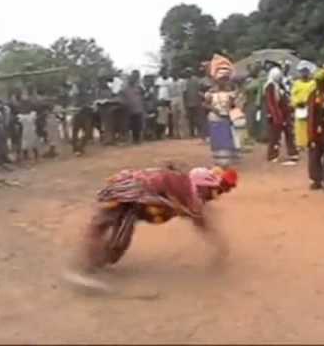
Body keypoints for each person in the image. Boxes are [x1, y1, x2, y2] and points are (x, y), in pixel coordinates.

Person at [66, 165, 238, 288]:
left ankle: (90, 264)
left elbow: (200, 216)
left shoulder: (187, 191)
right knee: (107, 228)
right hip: (130, 192)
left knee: (117, 242)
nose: (214, 197)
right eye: (214, 191)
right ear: (203, 185)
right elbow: (200, 219)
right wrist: (219, 244)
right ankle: (83, 267)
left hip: (133, 200)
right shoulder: (185, 191)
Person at [204, 54, 240, 167]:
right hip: (215, 119)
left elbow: (234, 106)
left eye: (225, 79)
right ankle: (219, 163)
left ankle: (226, 162)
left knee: (226, 140)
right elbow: (205, 105)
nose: (223, 82)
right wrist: (215, 110)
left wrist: (231, 110)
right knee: (218, 141)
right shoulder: (210, 93)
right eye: (221, 79)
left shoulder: (231, 93)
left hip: (226, 120)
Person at [264, 67, 299, 165]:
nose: (278, 77)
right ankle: (272, 154)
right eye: (277, 76)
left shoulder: (281, 85)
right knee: (275, 136)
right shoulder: (270, 86)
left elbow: (286, 97)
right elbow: (272, 103)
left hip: (285, 113)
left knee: (289, 133)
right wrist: (277, 117)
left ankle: (292, 153)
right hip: (275, 115)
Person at [291, 61, 316, 151]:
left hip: (309, 107)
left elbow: (313, 94)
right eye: (302, 71)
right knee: (299, 126)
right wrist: (296, 102)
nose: (304, 73)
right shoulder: (296, 83)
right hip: (299, 107)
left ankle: (308, 143)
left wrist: (307, 102)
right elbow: (293, 95)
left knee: (309, 125)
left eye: (305, 71)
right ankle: (299, 144)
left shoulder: (313, 83)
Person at [123, 70, 144, 144]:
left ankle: (137, 139)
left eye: (133, 79)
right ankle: (130, 139)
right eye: (130, 79)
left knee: (137, 125)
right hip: (129, 109)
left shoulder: (139, 87)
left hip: (138, 108)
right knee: (130, 125)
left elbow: (143, 95)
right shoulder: (125, 88)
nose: (131, 80)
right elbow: (122, 97)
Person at [155, 67, 174, 138]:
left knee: (170, 117)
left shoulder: (171, 80)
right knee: (161, 118)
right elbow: (156, 90)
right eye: (163, 72)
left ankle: (170, 133)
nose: (165, 73)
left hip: (169, 100)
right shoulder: (158, 80)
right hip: (161, 100)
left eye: (166, 72)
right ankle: (159, 134)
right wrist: (157, 100)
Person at [183, 68, 202, 138]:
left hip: (197, 102)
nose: (188, 73)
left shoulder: (196, 80)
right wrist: (184, 103)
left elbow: (200, 89)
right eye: (187, 72)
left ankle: (200, 132)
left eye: (189, 72)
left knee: (197, 118)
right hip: (188, 103)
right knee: (190, 119)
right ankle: (192, 133)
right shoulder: (185, 81)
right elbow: (184, 93)